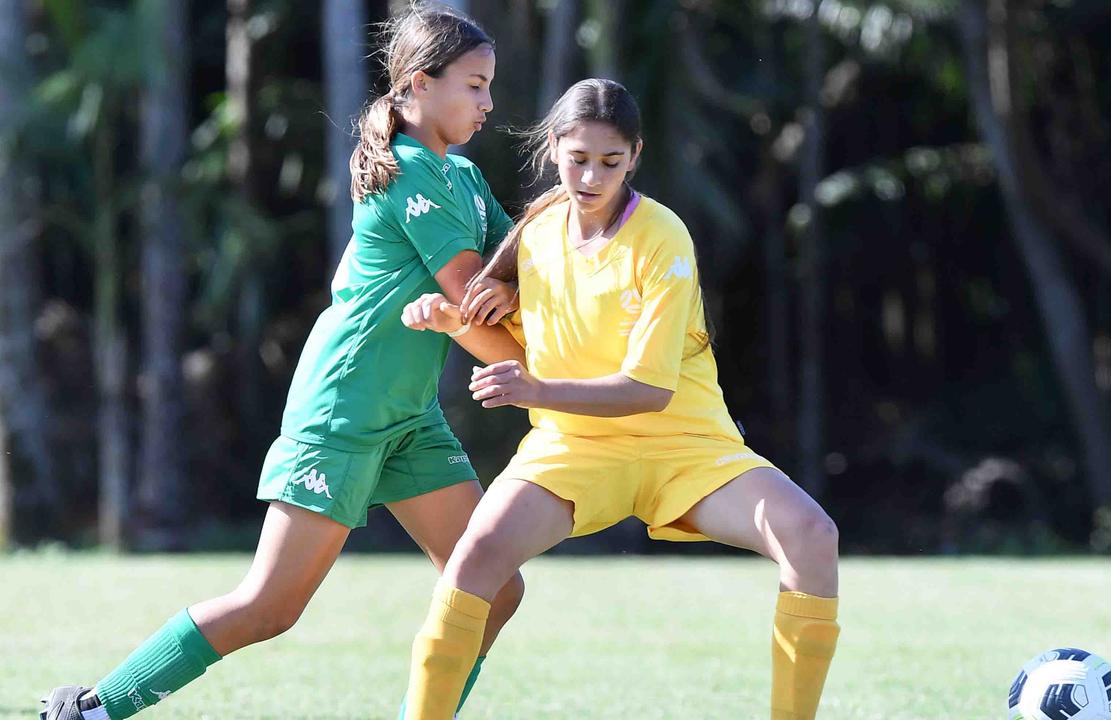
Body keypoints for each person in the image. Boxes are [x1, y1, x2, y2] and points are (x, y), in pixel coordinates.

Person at [40, 5, 526, 719]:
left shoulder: (462, 176)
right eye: (475, 86)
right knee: (270, 606)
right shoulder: (417, 174)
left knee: (494, 589)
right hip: (346, 407)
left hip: (408, 416)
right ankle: (87, 711)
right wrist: (542, 344)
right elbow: (473, 297)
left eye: (489, 87)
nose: (488, 103)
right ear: (420, 84)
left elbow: (518, 268)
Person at [398, 78, 841, 720]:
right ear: (554, 149)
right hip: (572, 448)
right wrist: (451, 320)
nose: (591, 176)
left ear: (635, 156)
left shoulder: (663, 237)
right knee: (474, 556)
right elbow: (519, 344)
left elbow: (650, 390)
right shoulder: (539, 228)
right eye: (577, 158)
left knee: (813, 535)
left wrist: (536, 390)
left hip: (688, 448)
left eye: (610, 161)